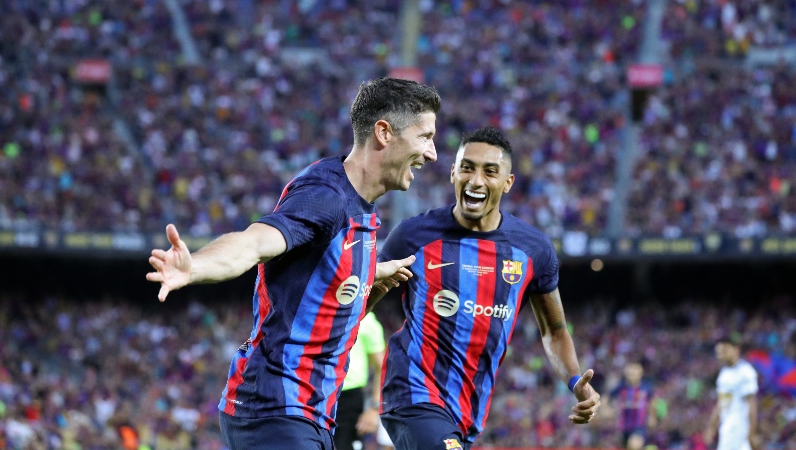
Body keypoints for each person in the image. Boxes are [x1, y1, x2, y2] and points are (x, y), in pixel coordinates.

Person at [146, 77, 441, 450]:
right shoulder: (326, 197)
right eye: (425, 137)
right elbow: (253, 243)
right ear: (384, 133)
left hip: (306, 415)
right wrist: (195, 267)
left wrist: (366, 282)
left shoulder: (359, 209)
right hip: (275, 408)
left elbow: (321, 299)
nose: (431, 153)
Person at [368, 127, 601, 449]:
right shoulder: (414, 236)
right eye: (467, 167)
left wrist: (575, 381)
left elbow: (555, 330)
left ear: (507, 182)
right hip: (411, 393)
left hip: (468, 412)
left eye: (490, 172)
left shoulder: (532, 249)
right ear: (453, 173)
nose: (476, 180)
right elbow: (361, 304)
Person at [334, 311, 385, 450]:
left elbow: (383, 367)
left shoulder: (366, 321)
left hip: (349, 398)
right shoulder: (321, 313)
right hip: (318, 392)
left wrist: (374, 409)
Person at [704, 336, 760, 450]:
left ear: (736, 349)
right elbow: (723, 403)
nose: (721, 355)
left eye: (724, 350)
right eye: (718, 352)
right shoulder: (724, 374)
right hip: (727, 427)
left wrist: (752, 433)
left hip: (739, 427)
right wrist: (711, 426)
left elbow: (752, 404)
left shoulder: (745, 372)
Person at [602, 362, 657, 450]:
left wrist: (652, 416)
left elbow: (652, 401)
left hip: (639, 425)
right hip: (623, 425)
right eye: (629, 374)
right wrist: (606, 409)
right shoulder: (621, 387)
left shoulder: (646, 387)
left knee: (634, 445)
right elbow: (606, 397)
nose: (631, 376)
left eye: (633, 374)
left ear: (640, 374)